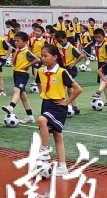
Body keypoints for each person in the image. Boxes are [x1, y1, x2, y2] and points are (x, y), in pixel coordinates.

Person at [34, 43, 82, 177]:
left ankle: (44, 150)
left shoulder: (61, 72)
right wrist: (43, 93)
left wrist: (67, 101)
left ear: (55, 57)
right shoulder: (41, 71)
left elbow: (78, 89)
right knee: (57, 136)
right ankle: (63, 166)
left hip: (58, 106)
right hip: (46, 103)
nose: (43, 58)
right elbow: (38, 82)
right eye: (42, 56)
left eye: (46, 56)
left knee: (41, 120)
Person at [2, 31, 38, 124]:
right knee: (23, 96)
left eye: (18, 41)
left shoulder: (26, 51)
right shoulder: (18, 50)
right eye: (15, 41)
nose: (16, 43)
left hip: (23, 74)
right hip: (16, 73)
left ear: (25, 42)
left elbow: (37, 59)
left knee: (16, 90)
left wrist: (27, 66)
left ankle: (11, 107)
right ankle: (30, 116)